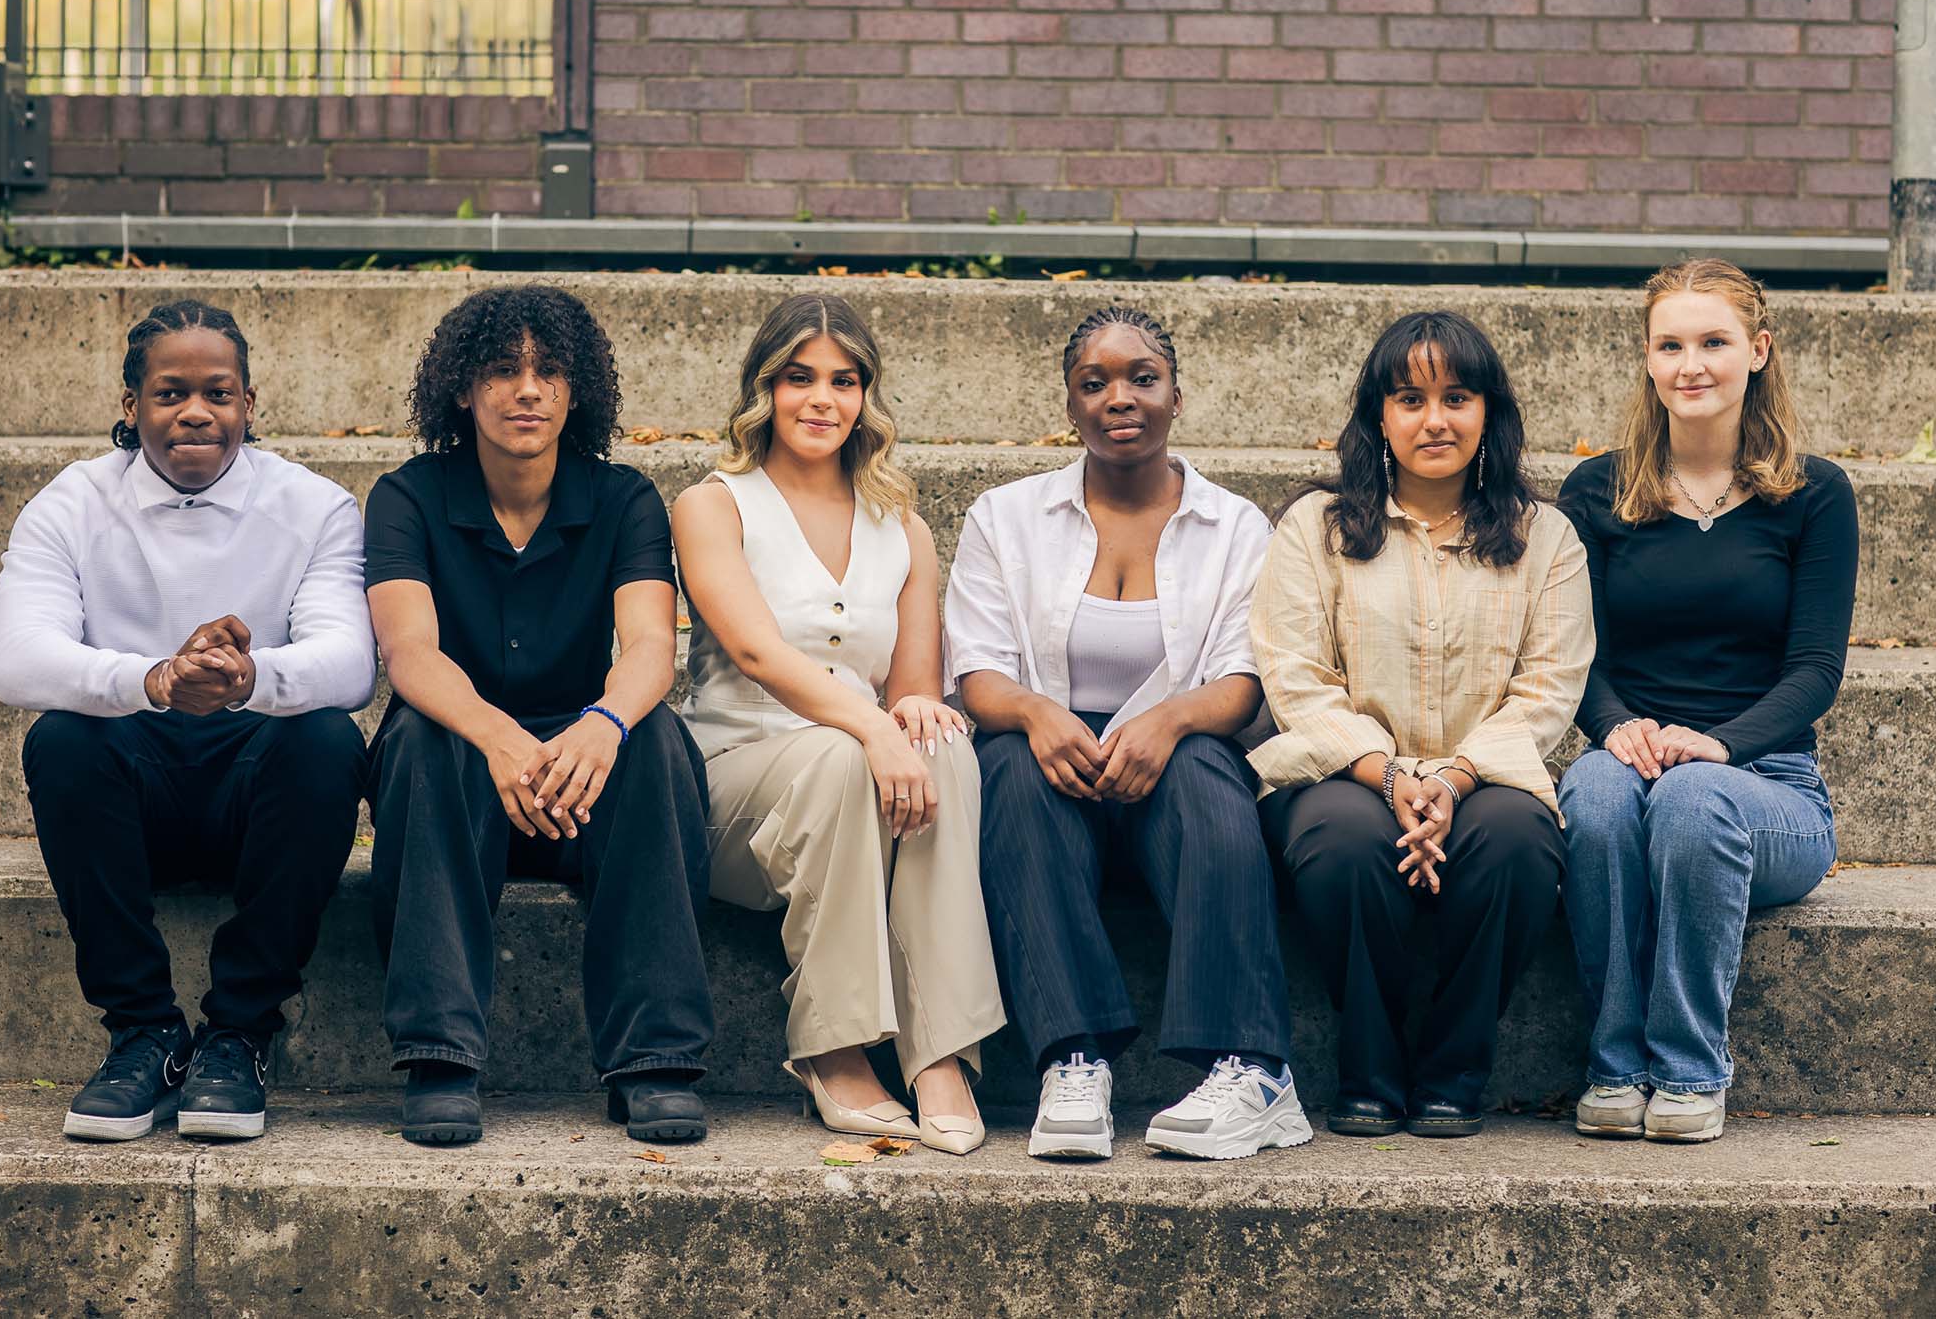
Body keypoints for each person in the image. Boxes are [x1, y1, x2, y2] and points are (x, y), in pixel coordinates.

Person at [0, 299, 374, 1142]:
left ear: (248, 403)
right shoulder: (72, 503)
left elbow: (350, 666)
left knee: (325, 741)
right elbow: (16, 659)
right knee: (62, 738)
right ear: (131, 407)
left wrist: (246, 677)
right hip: (133, 796)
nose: (196, 410)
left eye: (219, 392)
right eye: (169, 393)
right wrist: (155, 679)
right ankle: (146, 1033)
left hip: (256, 804)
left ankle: (240, 1031)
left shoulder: (315, 507)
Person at [947, 305, 1310, 1162]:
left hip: (1174, 773)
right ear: (1069, 406)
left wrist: (1172, 717)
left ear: (1177, 396)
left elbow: (1244, 680)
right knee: (1003, 762)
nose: (1121, 396)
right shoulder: (1005, 517)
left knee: (1209, 771)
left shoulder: (1236, 527)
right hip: (1052, 775)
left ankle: (1253, 1068)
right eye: (1094, 382)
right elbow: (978, 671)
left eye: (1142, 377)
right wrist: (1038, 714)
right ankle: (1074, 1060)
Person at [365, 285, 714, 1146]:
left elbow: (647, 647)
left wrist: (601, 724)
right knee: (419, 734)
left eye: (549, 371)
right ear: (460, 388)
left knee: (655, 736)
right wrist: (498, 736)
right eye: (501, 370)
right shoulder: (407, 497)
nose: (527, 389)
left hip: (582, 786)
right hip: (461, 772)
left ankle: (656, 1057)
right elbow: (409, 651)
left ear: (577, 389)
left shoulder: (625, 498)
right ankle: (441, 1055)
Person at [674, 294, 1003, 1156]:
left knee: (946, 743)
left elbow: (914, 690)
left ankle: (938, 1048)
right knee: (841, 749)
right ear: (764, 389)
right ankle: (834, 1041)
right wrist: (873, 727)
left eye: (844, 380)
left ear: (867, 397)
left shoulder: (904, 528)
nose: (822, 399)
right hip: (736, 788)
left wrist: (908, 719)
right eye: (799, 378)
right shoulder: (714, 505)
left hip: (865, 780)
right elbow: (753, 651)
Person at [1253, 311, 1592, 1139]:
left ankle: (1453, 1069)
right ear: (1380, 416)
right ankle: (1369, 1070)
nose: (1434, 419)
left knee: (1518, 842)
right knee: (1341, 841)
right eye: (1410, 397)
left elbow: (1548, 689)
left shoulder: (1545, 537)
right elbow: (1296, 679)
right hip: (1341, 775)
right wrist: (1393, 775)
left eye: (1457, 397)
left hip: (1486, 776)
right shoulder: (1317, 529)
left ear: (1489, 414)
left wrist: (1452, 778)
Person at [1556, 259, 1857, 1144]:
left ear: (1757, 352)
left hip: (1770, 789)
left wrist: (1720, 745)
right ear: (1648, 361)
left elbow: (1814, 671)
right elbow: (1574, 656)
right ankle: (1614, 1066)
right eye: (1671, 344)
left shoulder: (1813, 494)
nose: (1692, 363)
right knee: (1595, 797)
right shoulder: (1597, 492)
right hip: (1631, 761)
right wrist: (1614, 729)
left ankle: (1689, 1070)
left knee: (1691, 798)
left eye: (1714, 342)